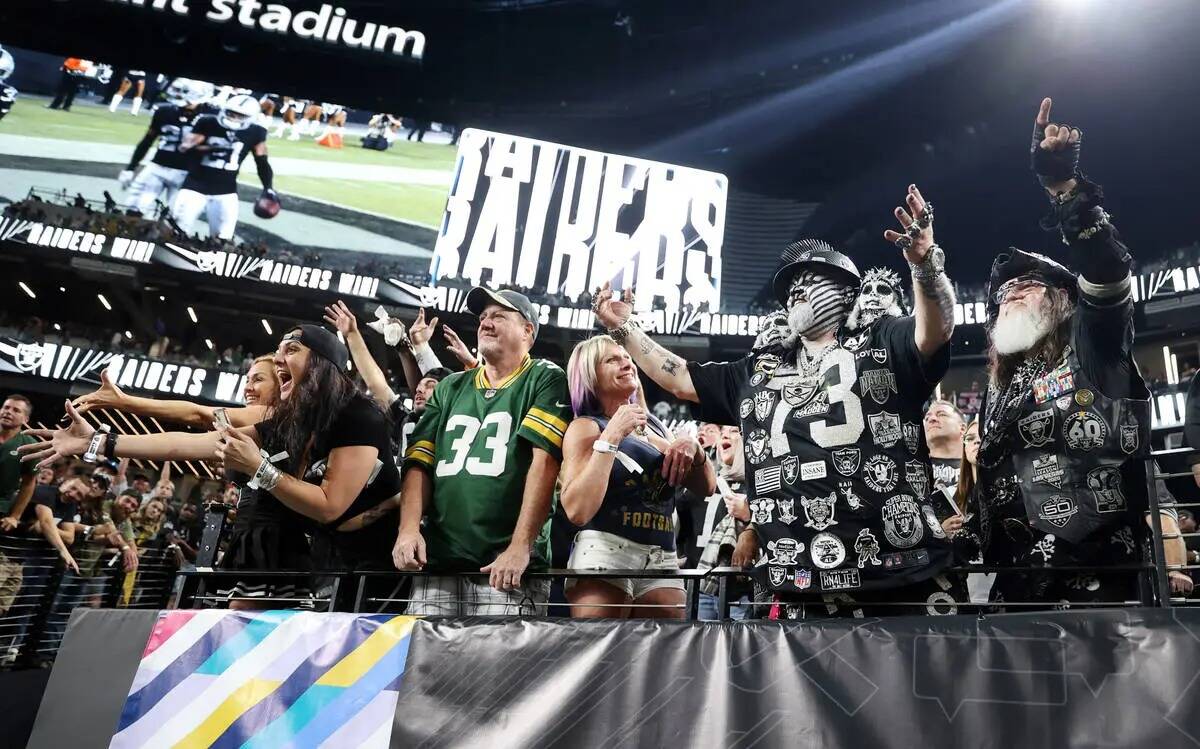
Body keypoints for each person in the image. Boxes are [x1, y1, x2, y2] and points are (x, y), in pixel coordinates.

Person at [593, 182, 960, 618]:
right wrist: (625, 329)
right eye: (789, 288)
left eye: (810, 280)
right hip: (798, 583)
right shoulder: (757, 368)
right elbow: (679, 378)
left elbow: (935, 331)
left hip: (897, 574)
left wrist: (926, 268)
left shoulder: (881, 339)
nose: (795, 292)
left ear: (846, 294)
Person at [973, 98, 1192, 606]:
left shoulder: (1092, 343)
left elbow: (1109, 273)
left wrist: (1064, 192)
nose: (1014, 291)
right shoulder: (1000, 388)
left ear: (1064, 299)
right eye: (1006, 290)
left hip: (1104, 589)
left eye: (1031, 283)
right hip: (1017, 594)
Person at [22, 325, 402, 608]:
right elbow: (195, 442)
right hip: (327, 559)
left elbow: (329, 504)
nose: (278, 359)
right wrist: (98, 442)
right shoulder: (293, 422)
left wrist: (260, 469)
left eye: (291, 350)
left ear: (322, 364)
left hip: (378, 568)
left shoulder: (357, 414)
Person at [393, 287, 570, 615]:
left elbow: (544, 463)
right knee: (422, 664)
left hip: (505, 568)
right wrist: (408, 529)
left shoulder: (544, 377)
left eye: (499, 316)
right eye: (483, 317)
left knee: (500, 667)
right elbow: (418, 461)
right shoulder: (449, 386)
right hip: (439, 561)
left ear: (527, 331)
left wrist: (521, 546)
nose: (486, 324)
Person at [558, 335, 715, 619]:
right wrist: (612, 436)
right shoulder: (587, 427)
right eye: (612, 359)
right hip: (605, 554)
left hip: (662, 559)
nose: (626, 362)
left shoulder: (655, 427)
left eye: (627, 357)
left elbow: (707, 487)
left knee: (663, 658)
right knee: (601, 656)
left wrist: (695, 449)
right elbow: (577, 509)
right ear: (590, 375)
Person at [173, 93, 277, 240]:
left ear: (251, 117)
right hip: (194, 187)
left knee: (222, 239)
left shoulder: (256, 132)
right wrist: (209, 148)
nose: (233, 118)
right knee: (177, 232)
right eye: (231, 113)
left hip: (225, 192)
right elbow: (184, 148)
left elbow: (262, 163)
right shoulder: (207, 122)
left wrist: (268, 187)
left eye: (240, 115)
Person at [74, 355, 277, 429]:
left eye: (258, 380)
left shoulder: (269, 414)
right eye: (247, 380)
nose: (248, 388)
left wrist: (123, 401)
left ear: (281, 384)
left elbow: (198, 414)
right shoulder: (253, 425)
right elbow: (180, 444)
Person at [119, 78, 216, 217]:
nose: (181, 99)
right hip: (157, 168)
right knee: (134, 210)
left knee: (177, 219)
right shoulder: (164, 111)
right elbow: (147, 141)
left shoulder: (212, 117)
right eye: (179, 93)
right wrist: (131, 168)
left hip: (187, 173)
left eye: (186, 95)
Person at [695, 425, 756, 620]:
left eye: (734, 431)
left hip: (743, 590)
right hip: (705, 584)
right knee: (701, 647)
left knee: (738, 647)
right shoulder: (709, 482)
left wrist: (749, 516)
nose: (725, 435)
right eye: (722, 434)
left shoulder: (758, 483)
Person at [0, 395, 38, 533]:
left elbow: (29, 483)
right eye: (6, 407)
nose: (8, 412)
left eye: (16, 410)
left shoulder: (29, 445)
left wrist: (15, 516)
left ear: (25, 419)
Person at [924, 399, 966, 492]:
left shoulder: (977, 468)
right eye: (927, 418)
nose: (932, 419)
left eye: (942, 414)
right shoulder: (913, 467)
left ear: (962, 428)